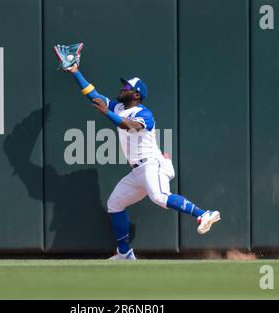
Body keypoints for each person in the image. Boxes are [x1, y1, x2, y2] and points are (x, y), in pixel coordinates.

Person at [64, 63, 221, 260]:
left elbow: (128, 125)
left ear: (137, 95)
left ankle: (203, 213)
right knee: (114, 204)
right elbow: (93, 94)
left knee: (159, 197)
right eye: (124, 86)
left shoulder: (144, 114)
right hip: (138, 171)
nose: (123, 88)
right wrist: (75, 71)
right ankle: (124, 252)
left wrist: (107, 113)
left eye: (127, 87)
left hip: (150, 164)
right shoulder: (120, 107)